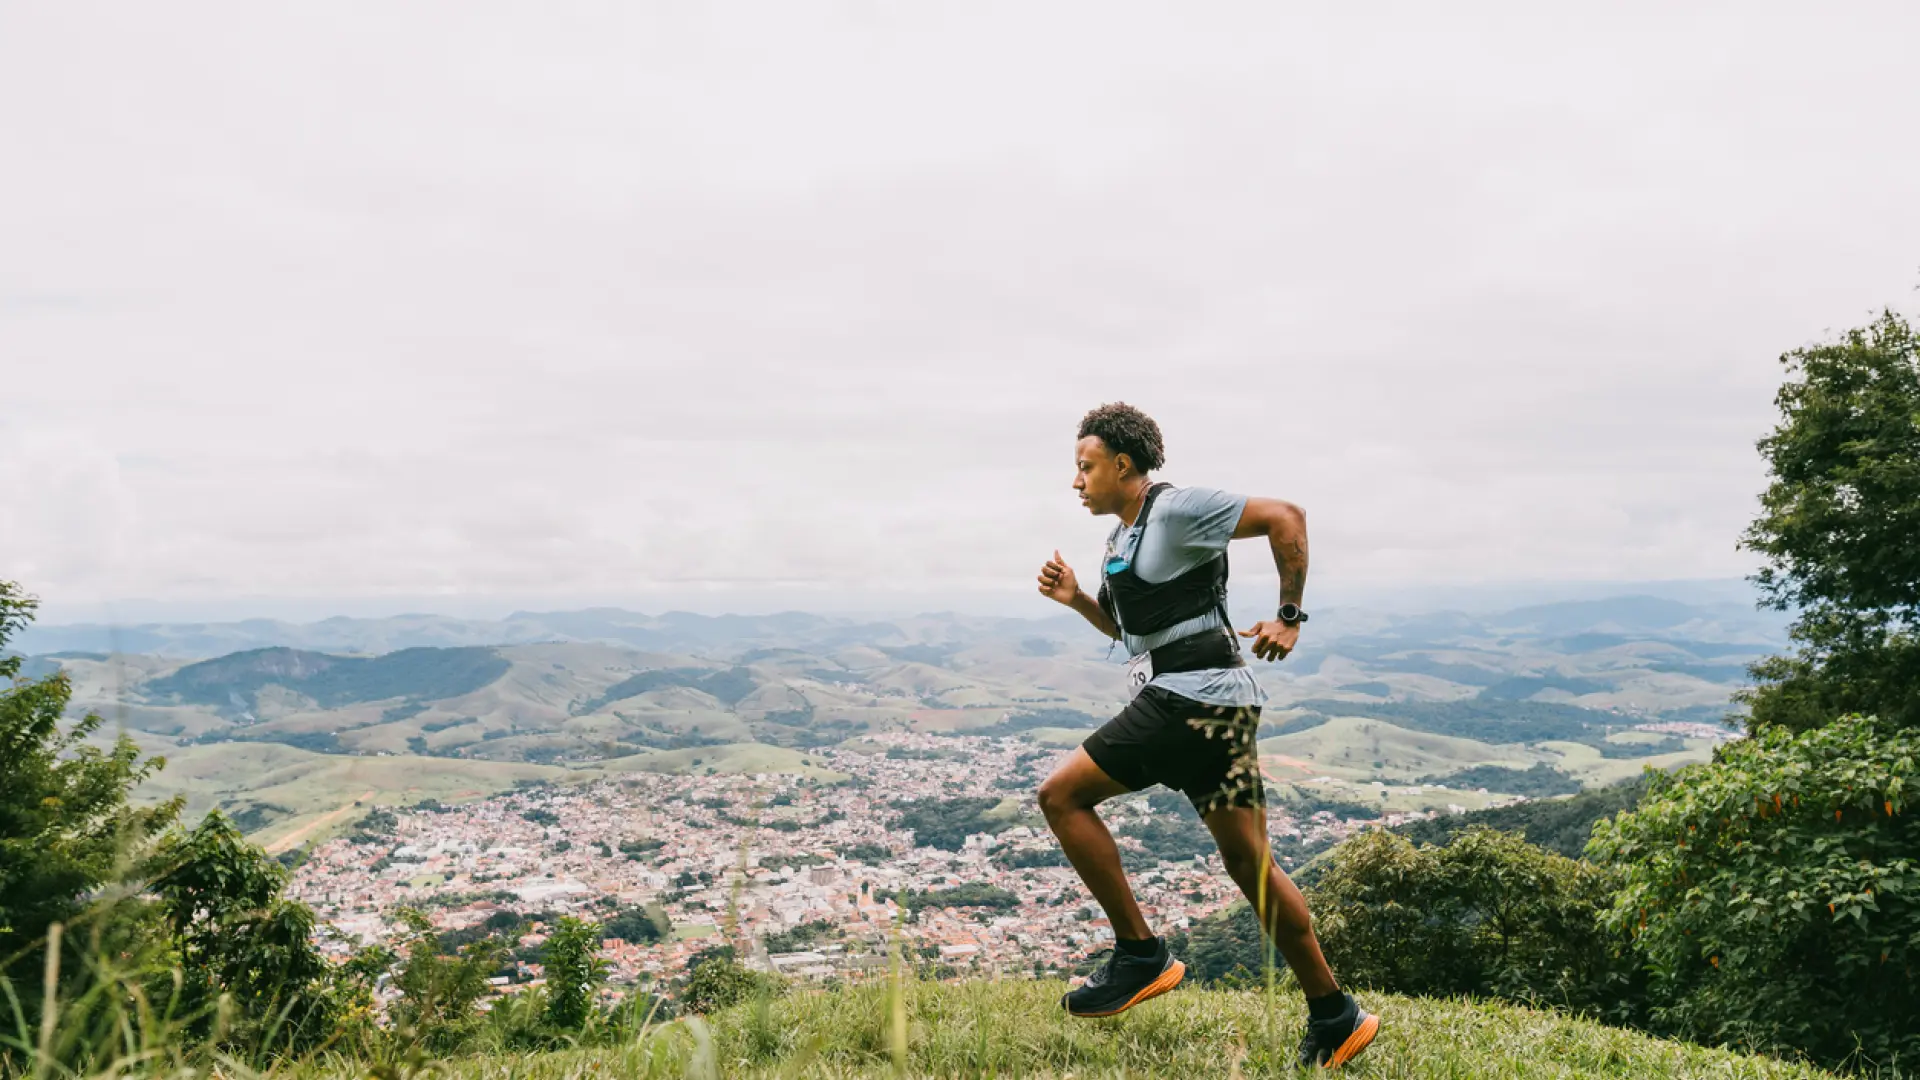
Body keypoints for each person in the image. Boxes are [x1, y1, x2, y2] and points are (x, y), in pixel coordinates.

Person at [1034, 402, 1377, 1070]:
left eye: (1086, 467)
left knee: (1060, 797)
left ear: (1123, 465)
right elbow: (1135, 634)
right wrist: (1077, 598)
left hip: (1189, 700)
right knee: (1253, 866)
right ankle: (1336, 1014)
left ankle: (1140, 954)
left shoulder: (1177, 509)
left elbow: (1287, 518)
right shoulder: (1123, 539)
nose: (1077, 482)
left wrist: (1288, 615)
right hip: (1214, 705)